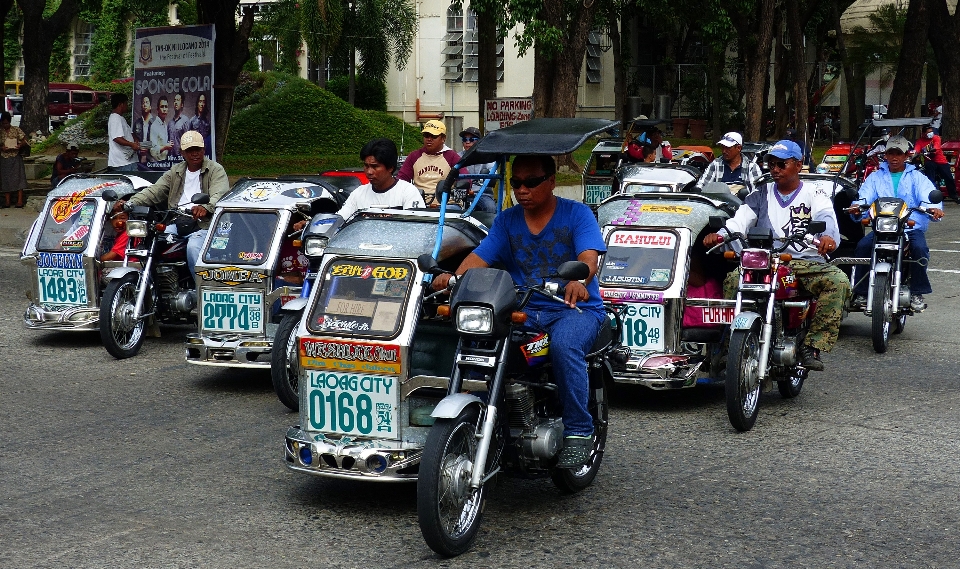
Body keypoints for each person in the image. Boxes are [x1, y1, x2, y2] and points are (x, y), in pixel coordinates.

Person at [431, 154, 607, 469]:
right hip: (524, 310)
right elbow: (481, 256)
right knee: (479, 340)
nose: (522, 190)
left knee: (565, 346)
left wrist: (579, 281)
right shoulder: (507, 220)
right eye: (516, 183)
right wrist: (454, 279)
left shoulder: (577, 214)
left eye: (531, 182)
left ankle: (579, 431)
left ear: (551, 182)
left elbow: (588, 256)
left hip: (574, 309)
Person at [703, 140, 850, 371]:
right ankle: (728, 343)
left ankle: (812, 346)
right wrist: (721, 234)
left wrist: (828, 237)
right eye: (771, 164)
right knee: (733, 280)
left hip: (805, 261)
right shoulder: (760, 194)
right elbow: (739, 220)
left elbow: (827, 217)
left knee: (838, 281)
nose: (775, 169)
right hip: (767, 261)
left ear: (798, 165)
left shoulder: (815, 192)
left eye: (782, 164)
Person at [849, 135, 944, 313]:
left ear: (906, 155)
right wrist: (857, 206)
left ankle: (917, 292)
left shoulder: (917, 177)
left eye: (898, 154)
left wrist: (933, 208)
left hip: (910, 227)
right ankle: (861, 292)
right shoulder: (875, 177)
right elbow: (864, 196)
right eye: (890, 153)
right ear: (885, 155)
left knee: (920, 249)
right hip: (882, 226)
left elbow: (929, 194)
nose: (894, 157)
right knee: (862, 246)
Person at [112, 130, 229, 274]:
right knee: (149, 242)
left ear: (203, 150)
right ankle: (152, 285)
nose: (194, 153)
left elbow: (220, 193)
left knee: (194, 249)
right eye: (190, 150)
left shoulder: (215, 170)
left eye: (197, 149)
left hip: (203, 224)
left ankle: (200, 291)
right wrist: (131, 202)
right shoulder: (176, 171)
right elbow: (155, 190)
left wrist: (206, 207)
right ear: (182, 153)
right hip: (176, 222)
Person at [330, 138, 424, 220]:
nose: (369, 171)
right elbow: (339, 220)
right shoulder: (358, 194)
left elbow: (416, 227)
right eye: (366, 166)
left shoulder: (408, 192)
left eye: (375, 166)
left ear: (390, 167)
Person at [397, 120, 461, 202]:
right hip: (418, 203)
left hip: (446, 204)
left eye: (433, 136)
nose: (429, 139)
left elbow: (465, 178)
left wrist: (461, 186)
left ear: (443, 138)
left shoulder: (452, 156)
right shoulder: (414, 156)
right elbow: (402, 179)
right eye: (426, 135)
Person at [696, 131, 763, 193]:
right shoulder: (715, 165)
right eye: (722, 147)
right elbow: (702, 186)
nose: (724, 151)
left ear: (738, 148)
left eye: (728, 148)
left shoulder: (751, 167)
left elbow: (757, 192)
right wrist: (697, 190)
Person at [915, 124, 960, 204]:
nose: (930, 133)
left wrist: (933, 149)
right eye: (928, 132)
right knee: (929, 175)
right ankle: (932, 193)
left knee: (948, 177)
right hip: (929, 162)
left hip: (941, 161)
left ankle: (953, 195)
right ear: (924, 133)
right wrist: (914, 153)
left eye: (931, 131)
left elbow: (937, 146)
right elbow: (916, 150)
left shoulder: (936, 138)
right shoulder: (920, 141)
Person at [459, 126, 497, 212]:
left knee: (490, 208)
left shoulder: (488, 157)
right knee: (450, 209)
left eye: (471, 139)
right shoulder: (457, 157)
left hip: (482, 194)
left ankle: (490, 226)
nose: (467, 142)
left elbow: (493, 173)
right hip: (461, 195)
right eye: (465, 139)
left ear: (479, 141)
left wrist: (489, 176)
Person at [1, 111, 29, 207]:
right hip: (4, 157)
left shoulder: (16, 130)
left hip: (15, 156)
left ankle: (19, 201)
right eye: (3, 123)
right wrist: (2, 148)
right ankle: (7, 201)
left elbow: (25, 140)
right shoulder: (0, 131)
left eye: (7, 123)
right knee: (5, 179)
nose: (5, 125)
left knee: (19, 178)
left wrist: (20, 145)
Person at [107, 93, 138, 172]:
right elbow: (117, 138)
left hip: (128, 161)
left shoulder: (121, 118)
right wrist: (131, 144)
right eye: (126, 103)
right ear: (121, 104)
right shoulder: (115, 118)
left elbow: (131, 133)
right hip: (122, 162)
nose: (127, 106)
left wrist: (135, 141)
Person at [166, 92, 190, 159]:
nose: (176, 102)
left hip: (181, 158)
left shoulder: (185, 121)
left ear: (182, 104)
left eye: (178, 100)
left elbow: (187, 141)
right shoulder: (170, 123)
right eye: (174, 100)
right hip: (170, 158)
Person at [149, 95, 173, 161]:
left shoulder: (165, 125)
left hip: (164, 162)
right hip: (155, 164)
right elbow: (152, 150)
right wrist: (165, 147)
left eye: (166, 107)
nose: (164, 109)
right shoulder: (154, 125)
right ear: (158, 109)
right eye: (162, 107)